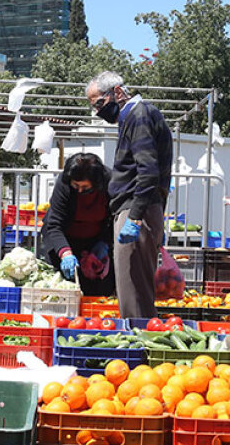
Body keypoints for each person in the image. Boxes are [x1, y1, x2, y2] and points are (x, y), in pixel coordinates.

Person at [86, 71, 172, 318]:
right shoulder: (135, 116)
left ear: (118, 92)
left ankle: (138, 337)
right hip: (140, 209)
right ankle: (139, 333)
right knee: (133, 287)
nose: (98, 112)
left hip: (136, 209)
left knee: (134, 292)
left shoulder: (139, 115)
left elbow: (148, 171)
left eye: (99, 103)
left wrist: (135, 218)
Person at [42, 153, 116, 297]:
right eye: (75, 186)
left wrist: (105, 242)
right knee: (63, 289)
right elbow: (54, 224)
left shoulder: (110, 181)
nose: (80, 191)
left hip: (96, 239)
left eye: (85, 188)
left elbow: (115, 217)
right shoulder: (64, 183)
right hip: (64, 238)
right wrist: (65, 253)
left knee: (98, 289)